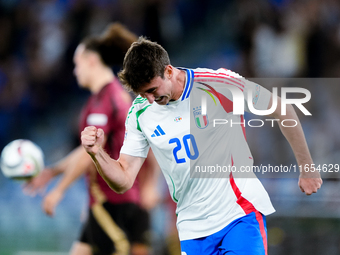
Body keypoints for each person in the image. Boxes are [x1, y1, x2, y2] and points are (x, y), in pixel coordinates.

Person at [81, 37, 322, 255]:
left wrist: (307, 167)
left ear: (168, 71)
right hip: (192, 230)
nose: (151, 100)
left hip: (239, 214)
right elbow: (123, 179)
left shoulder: (216, 84)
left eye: (153, 90)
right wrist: (97, 154)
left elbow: (281, 108)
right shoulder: (139, 113)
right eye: (143, 94)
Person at [24, 25, 158, 255]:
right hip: (107, 202)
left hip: (113, 203)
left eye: (77, 64)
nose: (75, 71)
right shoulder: (107, 99)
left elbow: (92, 152)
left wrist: (59, 190)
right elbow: (86, 151)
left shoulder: (105, 102)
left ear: (92, 61)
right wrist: (53, 172)